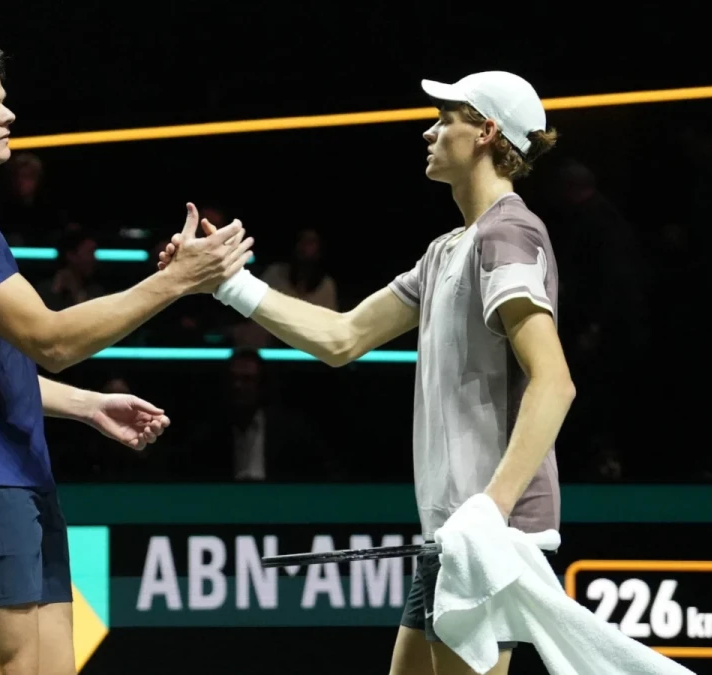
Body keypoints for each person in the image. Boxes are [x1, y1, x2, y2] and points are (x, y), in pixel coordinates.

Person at [160, 71, 574, 675]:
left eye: (446, 118)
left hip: (490, 531)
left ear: (486, 131)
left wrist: (492, 508)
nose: (430, 130)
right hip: (452, 532)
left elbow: (554, 380)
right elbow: (342, 337)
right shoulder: (446, 251)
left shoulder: (508, 235)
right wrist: (227, 283)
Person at [0, 39, 254, 675]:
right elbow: (52, 341)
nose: (8, 115)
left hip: (15, 471)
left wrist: (85, 404)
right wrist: (178, 281)